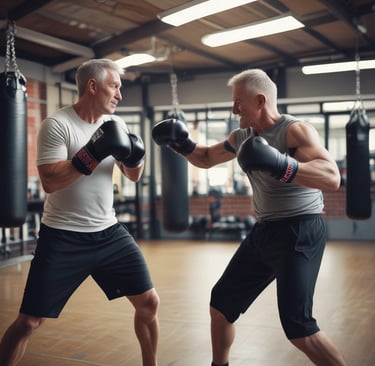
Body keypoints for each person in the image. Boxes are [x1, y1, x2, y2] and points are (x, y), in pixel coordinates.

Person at [152, 68, 347, 366]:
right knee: (221, 305)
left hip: (301, 230)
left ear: (259, 100)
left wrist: (282, 164)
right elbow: (205, 158)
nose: (233, 109)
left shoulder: (295, 131)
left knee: (298, 328)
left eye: (237, 102)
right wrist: (181, 144)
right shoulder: (241, 137)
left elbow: (332, 177)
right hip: (265, 231)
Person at [0, 59, 159, 366]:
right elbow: (50, 181)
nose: (119, 95)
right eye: (115, 86)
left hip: (109, 233)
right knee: (29, 321)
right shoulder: (57, 125)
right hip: (62, 236)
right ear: (92, 86)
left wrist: (137, 158)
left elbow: (133, 176)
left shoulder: (117, 126)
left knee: (149, 302)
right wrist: (93, 152)